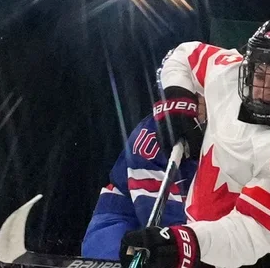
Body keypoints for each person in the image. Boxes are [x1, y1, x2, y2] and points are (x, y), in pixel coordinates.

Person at [121, 17, 270, 268]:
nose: (265, 90)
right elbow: (182, 55)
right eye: (260, 74)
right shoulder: (228, 75)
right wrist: (177, 102)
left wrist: (183, 243)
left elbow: (253, 234)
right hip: (211, 237)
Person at [80, 77, 204, 260]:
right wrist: (187, 246)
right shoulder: (154, 134)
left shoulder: (230, 135)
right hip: (123, 219)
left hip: (194, 227)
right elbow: (153, 207)